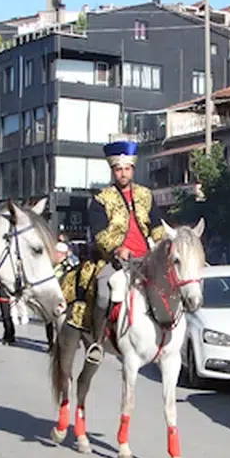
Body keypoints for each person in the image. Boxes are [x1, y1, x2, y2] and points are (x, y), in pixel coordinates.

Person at [85, 138, 165, 364]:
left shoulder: (146, 195)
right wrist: (117, 249)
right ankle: (97, 341)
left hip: (147, 257)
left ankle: (171, 336)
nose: (123, 173)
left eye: (127, 169)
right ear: (113, 171)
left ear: (133, 169)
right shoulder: (101, 199)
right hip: (118, 260)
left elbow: (156, 225)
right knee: (104, 290)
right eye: (118, 169)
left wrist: (161, 245)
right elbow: (99, 233)